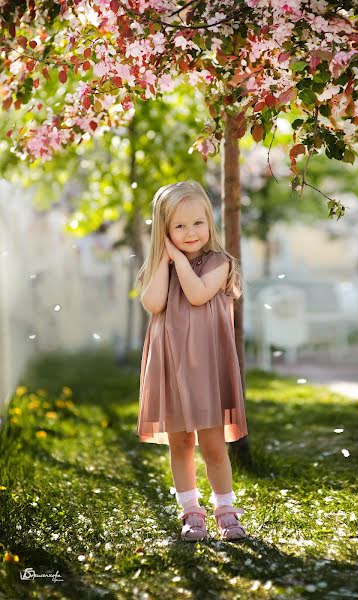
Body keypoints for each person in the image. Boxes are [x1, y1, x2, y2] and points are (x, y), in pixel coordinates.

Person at [135, 180, 248, 542]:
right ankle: (190, 511)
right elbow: (153, 304)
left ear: (210, 223)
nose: (190, 232)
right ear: (165, 232)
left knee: (213, 443)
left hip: (207, 370)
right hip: (171, 367)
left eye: (198, 223)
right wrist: (163, 261)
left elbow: (197, 295)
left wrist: (179, 260)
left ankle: (226, 509)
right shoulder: (163, 268)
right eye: (179, 226)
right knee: (180, 443)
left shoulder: (219, 263)